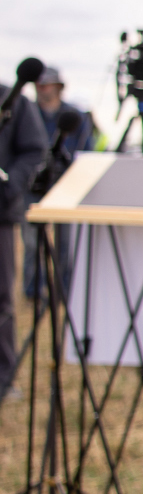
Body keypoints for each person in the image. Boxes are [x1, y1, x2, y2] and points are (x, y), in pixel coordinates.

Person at [0, 57, 51, 402]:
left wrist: (8, 185)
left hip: (0, 212)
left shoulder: (13, 100)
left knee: (2, 297)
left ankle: (3, 377)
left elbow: (35, 151)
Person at [23, 67, 93, 301]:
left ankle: (63, 289)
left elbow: (86, 151)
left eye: (46, 84)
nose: (41, 89)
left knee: (65, 242)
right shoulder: (27, 113)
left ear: (58, 87)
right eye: (38, 85)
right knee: (32, 242)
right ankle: (33, 289)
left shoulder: (75, 116)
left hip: (67, 186)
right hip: (34, 185)